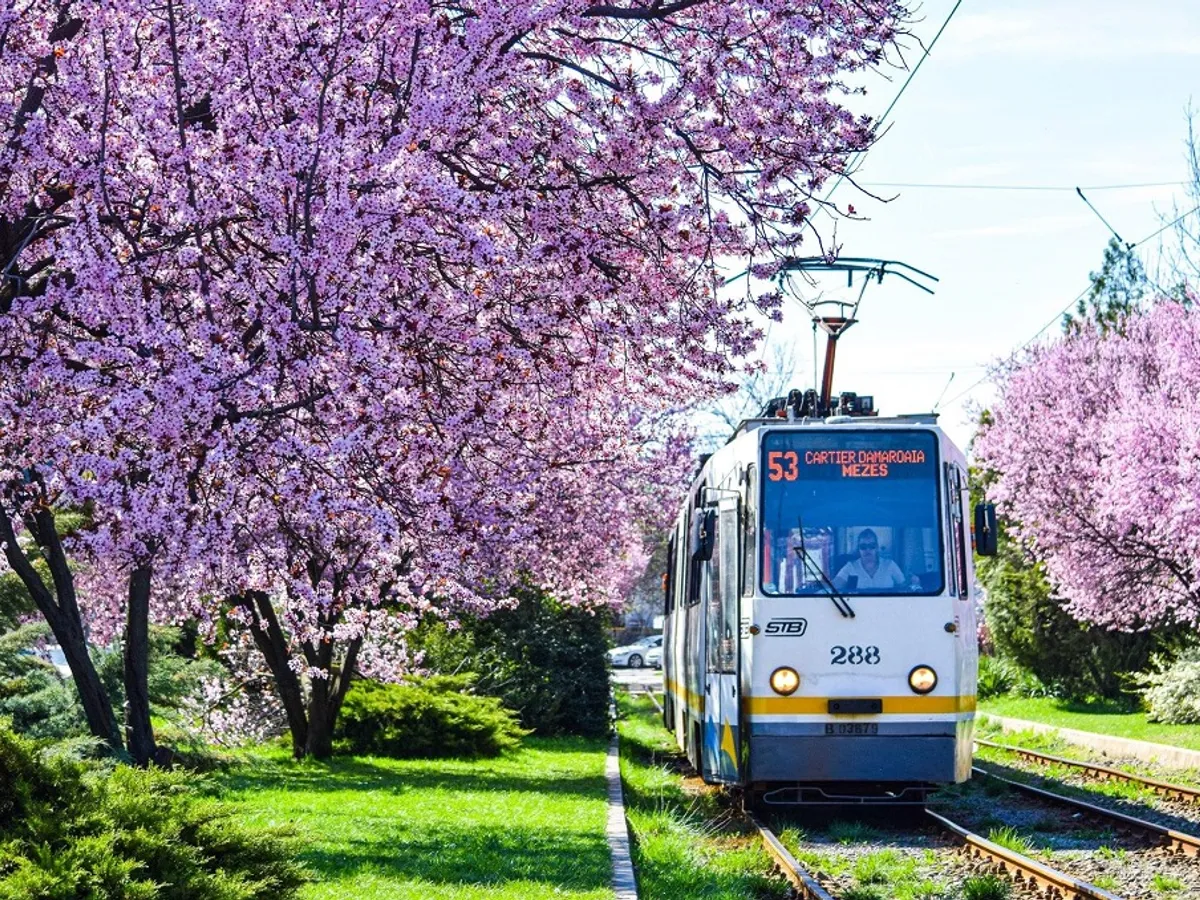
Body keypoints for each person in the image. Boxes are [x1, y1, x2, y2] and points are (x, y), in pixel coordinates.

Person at [833, 528, 919, 592]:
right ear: (858, 549)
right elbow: (834, 586)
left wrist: (914, 582)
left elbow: (903, 587)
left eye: (872, 546)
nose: (868, 550)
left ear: (877, 548)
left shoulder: (890, 565)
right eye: (863, 547)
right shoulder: (850, 567)